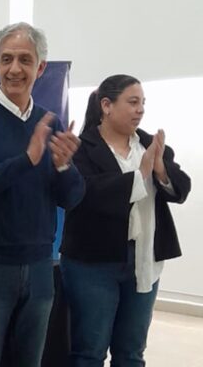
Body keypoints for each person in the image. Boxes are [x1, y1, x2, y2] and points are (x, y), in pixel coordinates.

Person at [0, 22, 85, 367]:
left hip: (40, 266)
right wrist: (26, 160)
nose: (14, 68)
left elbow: (71, 198)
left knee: (30, 360)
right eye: (6, 59)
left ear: (40, 68)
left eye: (25, 60)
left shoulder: (50, 123)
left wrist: (63, 166)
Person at [60, 74, 191, 366]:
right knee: (89, 352)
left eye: (143, 103)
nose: (140, 110)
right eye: (132, 102)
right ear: (106, 105)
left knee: (131, 352)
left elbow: (181, 189)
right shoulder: (81, 148)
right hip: (92, 263)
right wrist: (139, 176)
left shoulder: (151, 145)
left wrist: (160, 170)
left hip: (144, 259)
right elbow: (86, 193)